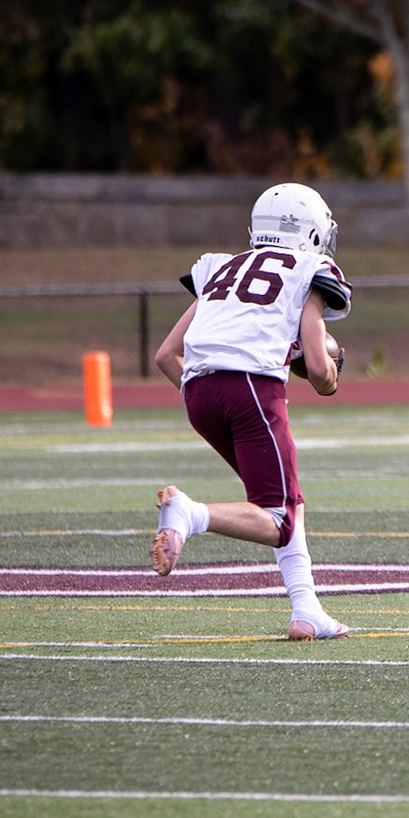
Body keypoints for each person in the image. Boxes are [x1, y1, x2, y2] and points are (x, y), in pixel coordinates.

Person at [148, 182, 354, 640]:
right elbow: (320, 369)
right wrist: (329, 378)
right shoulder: (311, 268)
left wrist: (208, 390)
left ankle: (307, 611)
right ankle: (188, 513)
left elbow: (165, 355)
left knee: (286, 501)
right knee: (279, 519)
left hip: (198, 392)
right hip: (250, 388)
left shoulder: (222, 267)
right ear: (314, 232)